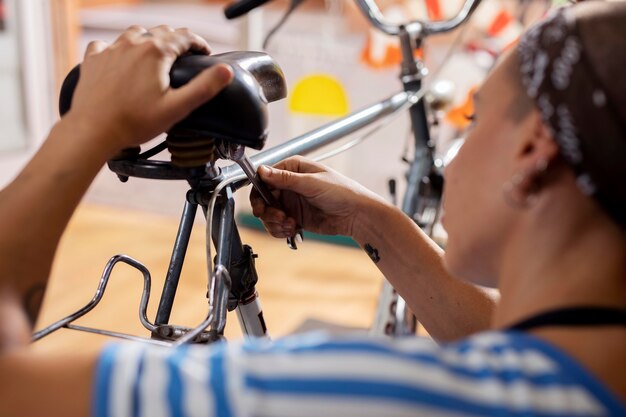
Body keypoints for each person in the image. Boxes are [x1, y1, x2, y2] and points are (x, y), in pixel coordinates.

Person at [0, 2, 624, 416]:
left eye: (475, 117)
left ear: (533, 150)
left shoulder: (370, 394)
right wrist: (373, 221)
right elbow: (508, 338)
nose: (452, 149)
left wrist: (87, 127)